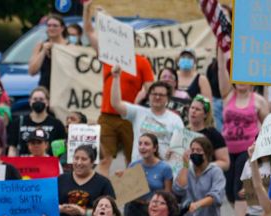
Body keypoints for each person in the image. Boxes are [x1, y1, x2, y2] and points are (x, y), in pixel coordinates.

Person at [84, 1, 155, 174]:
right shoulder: (108, 57)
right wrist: (86, 9)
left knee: (132, 159)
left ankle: (131, 199)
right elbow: (89, 32)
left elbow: (150, 87)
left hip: (130, 117)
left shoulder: (142, 62)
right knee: (104, 158)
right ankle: (102, 197)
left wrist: (140, 96)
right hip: (107, 116)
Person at [220, 82, 270, 216]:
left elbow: (267, 125)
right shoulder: (228, 96)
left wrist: (262, 149)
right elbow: (222, 71)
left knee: (238, 186)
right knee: (229, 190)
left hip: (246, 149)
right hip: (228, 149)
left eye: (245, 79)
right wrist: (221, 56)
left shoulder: (258, 100)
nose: (241, 82)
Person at [112, 76, 185, 169]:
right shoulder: (138, 112)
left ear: (168, 98)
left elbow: (180, 148)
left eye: (161, 95)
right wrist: (116, 77)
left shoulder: (175, 119)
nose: (157, 97)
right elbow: (116, 104)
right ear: (148, 95)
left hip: (162, 171)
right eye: (154, 94)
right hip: (138, 170)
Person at [119, 132, 173, 216]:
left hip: (154, 210)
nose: (142, 147)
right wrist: (121, 180)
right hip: (134, 209)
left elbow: (168, 194)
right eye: (140, 144)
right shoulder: (133, 165)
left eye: (146, 144)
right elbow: (126, 191)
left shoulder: (165, 168)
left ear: (155, 148)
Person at [8, 87, 66, 156]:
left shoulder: (57, 124)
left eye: (41, 99)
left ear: (47, 102)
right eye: (35, 99)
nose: (38, 101)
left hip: (49, 164)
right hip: (24, 164)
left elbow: (62, 150)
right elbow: (12, 148)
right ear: (30, 101)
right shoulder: (18, 122)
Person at [27, 12, 68, 92]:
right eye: (49, 25)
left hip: (64, 90)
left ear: (62, 28)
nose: (51, 28)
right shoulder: (40, 46)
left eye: (55, 26)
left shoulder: (69, 46)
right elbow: (32, 71)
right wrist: (43, 51)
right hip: (45, 90)